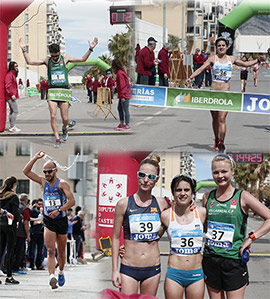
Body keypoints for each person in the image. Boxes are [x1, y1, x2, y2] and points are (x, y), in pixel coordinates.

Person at [202, 154, 270, 299]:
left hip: (233, 261)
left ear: (232, 171)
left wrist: (251, 238)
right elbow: (203, 226)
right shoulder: (207, 197)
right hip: (210, 259)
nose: (220, 175)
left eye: (224, 171)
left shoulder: (242, 196)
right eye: (216, 172)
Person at [186, 37, 264, 152]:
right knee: (215, 118)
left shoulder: (231, 59)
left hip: (225, 94)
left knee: (222, 119)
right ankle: (216, 139)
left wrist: (258, 61)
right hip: (213, 94)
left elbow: (246, 64)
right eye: (219, 46)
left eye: (223, 45)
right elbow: (201, 69)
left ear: (227, 47)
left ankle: (222, 142)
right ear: (216, 47)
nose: (221, 47)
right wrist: (190, 77)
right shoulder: (213, 59)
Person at [19, 37, 98, 147]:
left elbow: (82, 59)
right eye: (53, 56)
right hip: (52, 90)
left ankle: (65, 129)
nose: (55, 58)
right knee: (53, 116)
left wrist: (90, 49)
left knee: (65, 118)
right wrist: (23, 50)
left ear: (59, 52)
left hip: (64, 90)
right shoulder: (47, 60)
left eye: (56, 56)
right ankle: (57, 138)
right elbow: (30, 61)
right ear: (50, 54)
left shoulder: (65, 59)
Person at [112, 155, 171, 296]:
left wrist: (191, 205)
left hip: (152, 269)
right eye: (142, 175)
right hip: (128, 268)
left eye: (150, 177)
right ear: (137, 175)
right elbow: (115, 237)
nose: (145, 180)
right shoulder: (123, 204)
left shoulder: (162, 203)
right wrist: (114, 270)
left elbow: (176, 220)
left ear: (156, 179)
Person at [23, 151, 75, 289]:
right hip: (48, 220)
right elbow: (26, 171)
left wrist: (59, 210)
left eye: (49, 172)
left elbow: (72, 201)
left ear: (55, 171)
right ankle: (52, 276)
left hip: (61, 220)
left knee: (62, 252)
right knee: (51, 250)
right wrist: (35, 158)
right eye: (45, 172)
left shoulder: (62, 184)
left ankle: (61, 272)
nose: (47, 174)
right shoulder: (42, 182)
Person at [161, 175, 206, 299]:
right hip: (174, 275)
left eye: (186, 190)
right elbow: (151, 239)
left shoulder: (202, 213)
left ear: (192, 192)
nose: (182, 193)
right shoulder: (165, 215)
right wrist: (126, 245)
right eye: (178, 190)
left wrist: (247, 240)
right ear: (173, 192)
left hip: (196, 274)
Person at [0, 176, 21, 285]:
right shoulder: (13, 197)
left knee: (0, 250)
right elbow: (16, 213)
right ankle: (9, 276)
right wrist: (19, 219)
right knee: (10, 251)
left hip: (0, 225)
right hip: (10, 226)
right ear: (13, 185)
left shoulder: (1, 195)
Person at [112, 59, 132, 131]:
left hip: (124, 94)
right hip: (122, 94)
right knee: (120, 108)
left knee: (125, 109)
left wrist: (123, 96)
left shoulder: (120, 74)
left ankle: (127, 124)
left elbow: (123, 86)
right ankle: (121, 123)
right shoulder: (121, 73)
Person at [13, 193, 30, 275]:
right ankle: (16, 268)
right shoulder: (25, 209)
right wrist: (28, 235)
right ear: (26, 201)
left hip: (12, 232)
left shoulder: (15, 207)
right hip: (21, 233)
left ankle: (10, 267)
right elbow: (26, 223)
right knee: (19, 251)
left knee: (12, 251)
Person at [5, 61, 20, 133]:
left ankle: (11, 126)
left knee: (12, 111)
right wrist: (12, 94)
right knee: (15, 111)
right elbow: (8, 85)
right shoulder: (10, 75)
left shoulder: (12, 74)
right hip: (10, 96)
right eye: (15, 66)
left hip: (11, 96)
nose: (17, 67)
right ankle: (12, 126)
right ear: (12, 67)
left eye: (17, 66)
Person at [29, 198, 44, 270]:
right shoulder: (32, 212)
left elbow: (43, 222)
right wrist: (39, 220)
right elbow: (33, 223)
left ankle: (39, 264)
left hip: (41, 232)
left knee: (40, 250)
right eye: (39, 204)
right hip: (34, 232)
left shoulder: (44, 212)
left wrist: (40, 217)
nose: (40, 206)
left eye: (42, 204)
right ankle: (32, 264)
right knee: (32, 249)